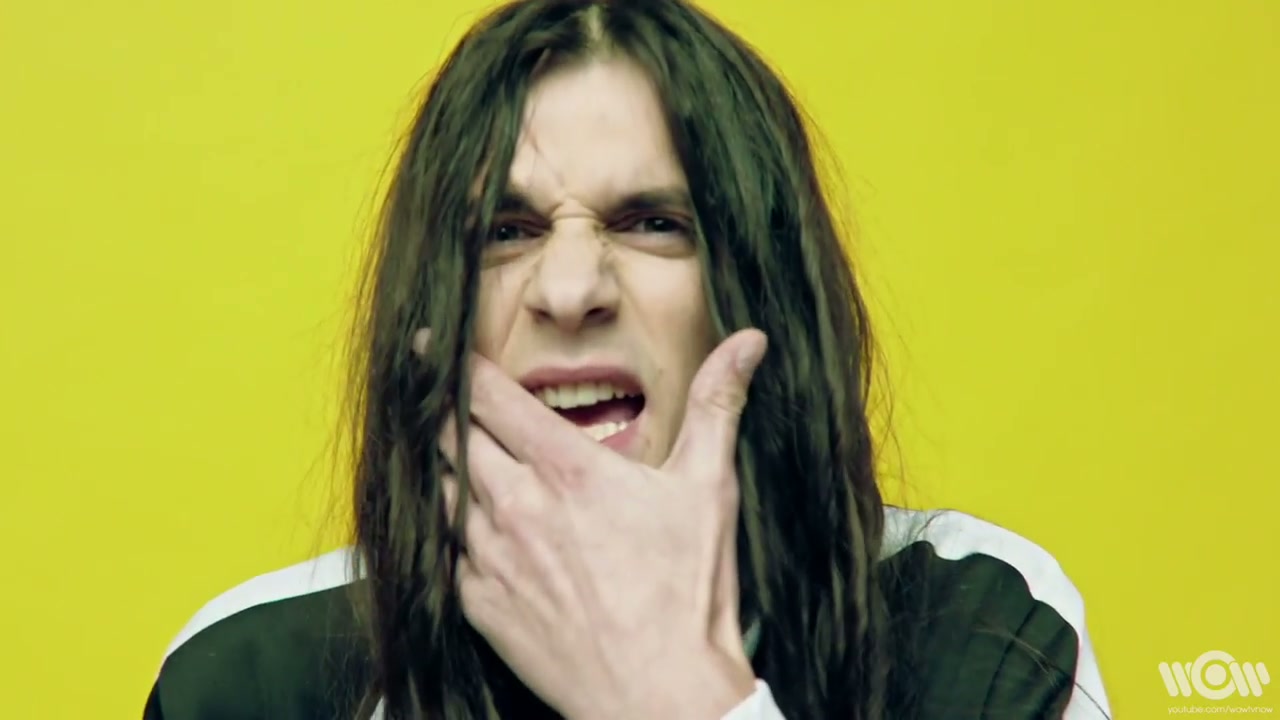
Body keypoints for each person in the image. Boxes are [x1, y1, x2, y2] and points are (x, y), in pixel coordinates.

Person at [143, 0, 1112, 718]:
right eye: (505, 231)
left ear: (758, 289)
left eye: (653, 222)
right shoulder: (246, 677)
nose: (570, 290)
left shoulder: (978, 625)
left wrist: (676, 693)